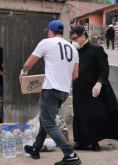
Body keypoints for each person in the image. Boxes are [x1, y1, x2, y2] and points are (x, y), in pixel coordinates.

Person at [19, 20, 81, 165]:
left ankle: (70, 154)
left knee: (48, 122)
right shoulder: (72, 48)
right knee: (45, 119)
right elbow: (75, 75)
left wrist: (23, 72)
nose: (47, 33)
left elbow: (29, 63)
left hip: (51, 90)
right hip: (63, 92)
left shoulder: (46, 42)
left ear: (51, 31)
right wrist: (61, 79)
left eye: (48, 31)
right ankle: (36, 148)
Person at [70, 26, 118, 152]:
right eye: (72, 39)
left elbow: (104, 68)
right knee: (80, 115)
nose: (74, 41)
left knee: (93, 115)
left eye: (75, 38)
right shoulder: (75, 51)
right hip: (79, 88)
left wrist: (99, 83)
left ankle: (94, 142)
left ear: (83, 36)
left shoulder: (96, 49)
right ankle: (81, 142)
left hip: (93, 89)